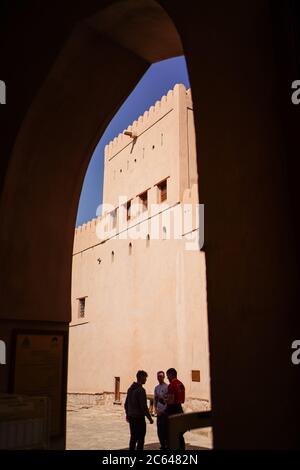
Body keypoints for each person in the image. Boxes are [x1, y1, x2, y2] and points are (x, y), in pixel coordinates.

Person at [124, 370, 153, 451]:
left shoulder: (130, 389)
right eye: (145, 378)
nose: (146, 380)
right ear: (141, 378)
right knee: (140, 439)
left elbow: (126, 404)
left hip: (132, 418)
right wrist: (149, 418)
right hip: (139, 418)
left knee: (133, 437)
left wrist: (127, 414)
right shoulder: (141, 390)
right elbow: (143, 406)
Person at [166, 368, 186, 450]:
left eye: (168, 376)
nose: (167, 378)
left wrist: (164, 399)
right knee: (179, 433)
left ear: (171, 375)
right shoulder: (181, 384)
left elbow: (170, 401)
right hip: (179, 408)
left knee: (172, 433)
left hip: (173, 410)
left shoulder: (171, 385)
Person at [154, 371, 168, 450]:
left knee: (164, 429)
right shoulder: (156, 388)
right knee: (159, 430)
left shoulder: (167, 387)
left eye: (161, 376)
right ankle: (162, 444)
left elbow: (167, 400)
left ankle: (166, 444)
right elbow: (155, 399)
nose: (159, 378)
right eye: (158, 376)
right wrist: (156, 409)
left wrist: (164, 410)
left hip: (164, 412)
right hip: (159, 412)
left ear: (163, 377)